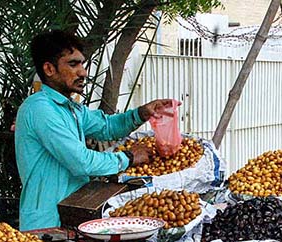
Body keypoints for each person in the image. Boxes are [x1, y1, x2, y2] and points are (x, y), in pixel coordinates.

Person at [15, 29, 177, 231]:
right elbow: (81, 162)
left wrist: (142, 113)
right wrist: (128, 158)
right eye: (73, 64)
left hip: (74, 214)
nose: (82, 72)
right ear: (49, 69)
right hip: (46, 224)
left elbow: (107, 127)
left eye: (82, 64)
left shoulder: (70, 108)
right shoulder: (40, 109)